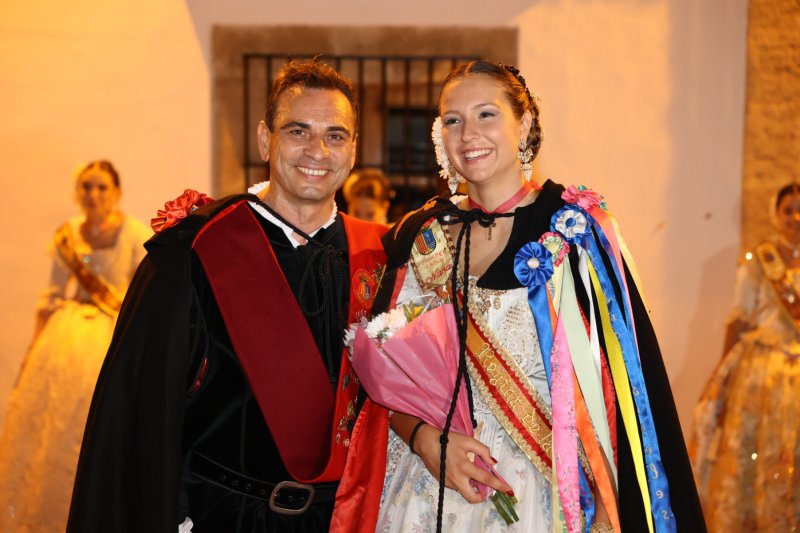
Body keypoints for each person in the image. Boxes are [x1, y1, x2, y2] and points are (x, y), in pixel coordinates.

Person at [331, 61, 706, 532]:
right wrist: (425, 439)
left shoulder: (575, 232)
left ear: (523, 123)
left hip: (544, 495)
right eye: (453, 119)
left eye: (486, 114)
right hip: (429, 488)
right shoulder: (421, 234)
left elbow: (629, 391)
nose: (469, 134)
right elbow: (383, 383)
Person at [66, 60, 387, 533]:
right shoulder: (194, 251)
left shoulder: (380, 259)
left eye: (335, 136)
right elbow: (144, 411)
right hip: (222, 517)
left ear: (353, 149)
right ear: (264, 139)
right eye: (297, 131)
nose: (317, 151)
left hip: (342, 520)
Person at [0, 160, 150, 532]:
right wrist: (34, 348)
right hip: (66, 338)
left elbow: (142, 293)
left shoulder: (133, 233)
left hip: (111, 333)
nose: (93, 195)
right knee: (55, 424)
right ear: (77, 192)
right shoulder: (67, 235)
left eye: (101, 187)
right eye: (87, 187)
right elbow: (52, 295)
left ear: (116, 192)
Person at [691, 182, 800, 531]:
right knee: (756, 449)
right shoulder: (759, 262)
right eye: (788, 210)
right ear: (776, 214)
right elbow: (739, 320)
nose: (795, 218)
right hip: (762, 373)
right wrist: (723, 373)